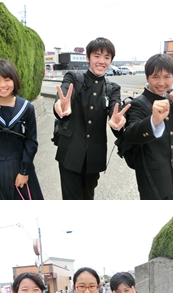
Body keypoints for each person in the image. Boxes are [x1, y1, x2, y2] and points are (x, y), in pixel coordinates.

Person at [53, 37, 130, 200]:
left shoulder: (113, 88)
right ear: (88, 58)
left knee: (88, 197)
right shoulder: (73, 77)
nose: (102, 61)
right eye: (96, 56)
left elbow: (115, 108)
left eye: (107, 57)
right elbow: (65, 92)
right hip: (69, 153)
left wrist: (117, 122)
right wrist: (60, 104)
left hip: (94, 156)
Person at [123, 53, 173, 200]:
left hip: (172, 172)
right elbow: (130, 134)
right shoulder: (138, 104)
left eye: (167, 77)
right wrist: (153, 120)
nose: (161, 83)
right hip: (151, 176)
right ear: (147, 77)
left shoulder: (170, 98)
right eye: (155, 77)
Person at [0, 59, 43, 200]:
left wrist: (24, 171)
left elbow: (31, 142)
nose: (2, 85)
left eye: (7, 79)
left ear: (14, 80)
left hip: (18, 167)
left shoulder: (26, 108)